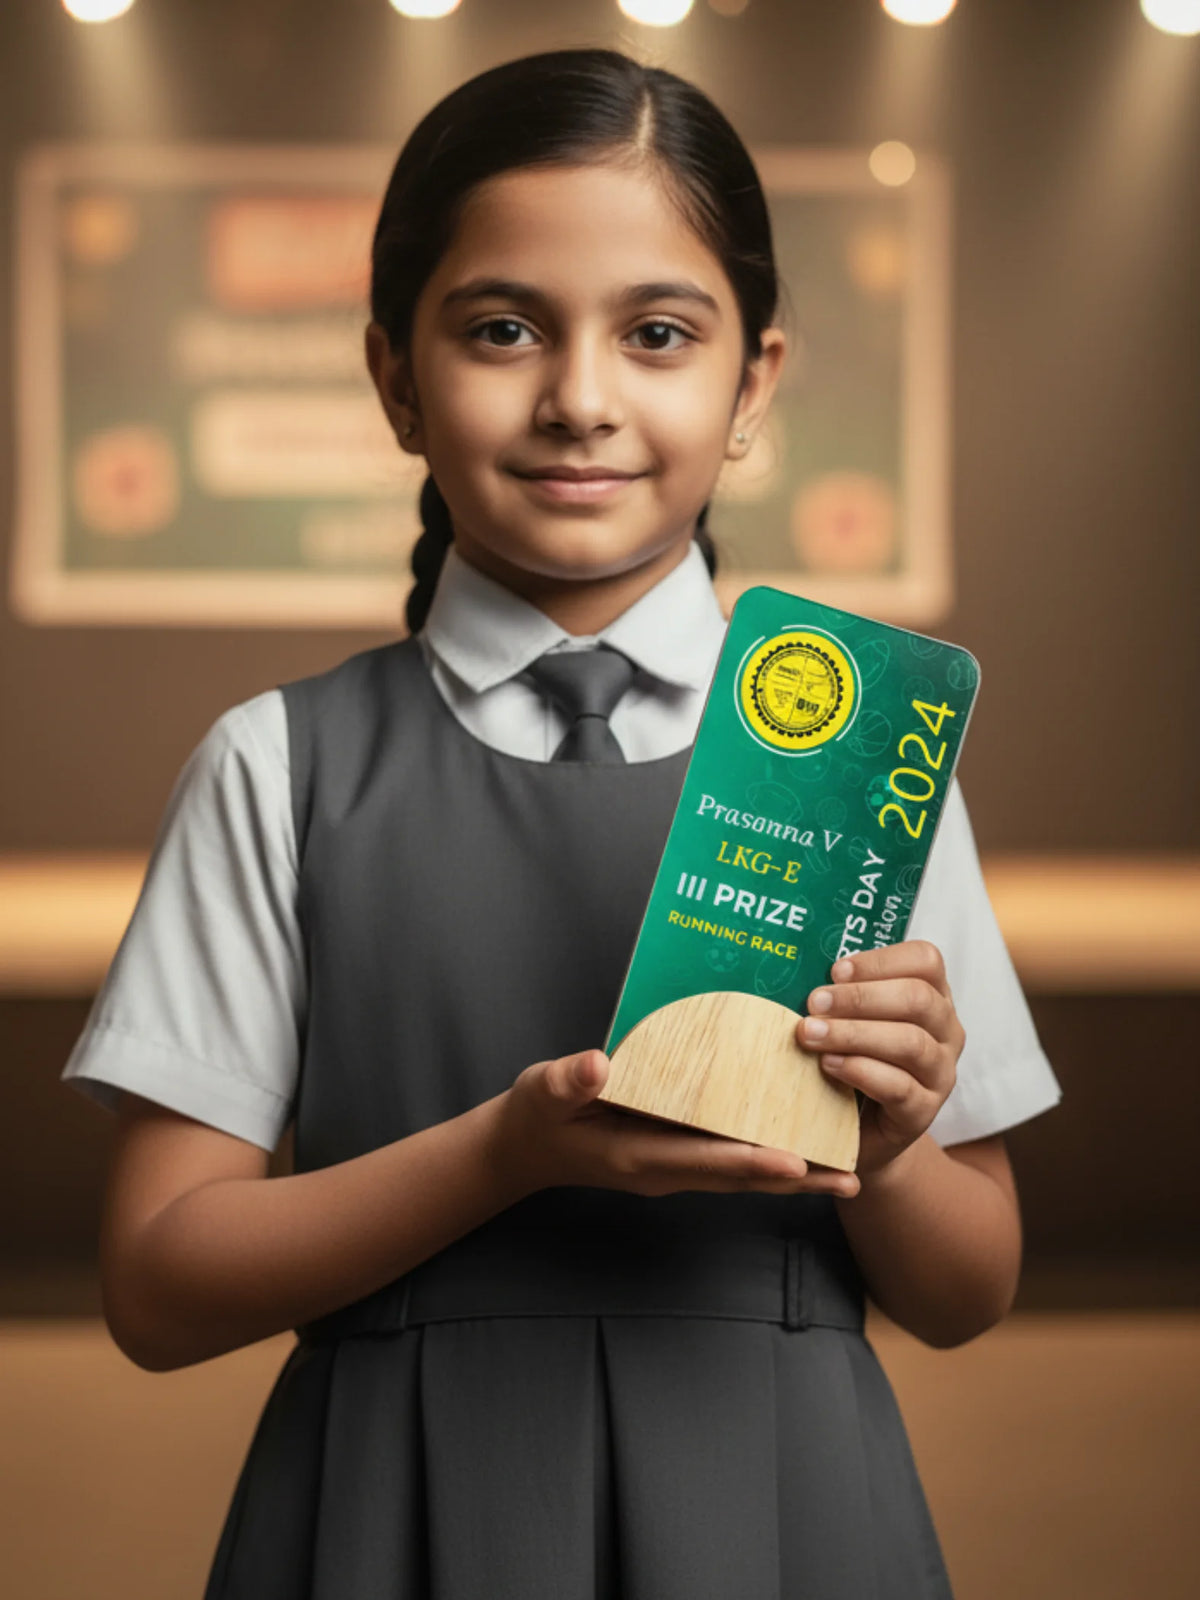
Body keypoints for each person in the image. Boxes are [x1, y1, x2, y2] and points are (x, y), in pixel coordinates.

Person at [62, 47, 1062, 1600]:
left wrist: (900, 1141)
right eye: (502, 329)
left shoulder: (872, 761)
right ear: (397, 377)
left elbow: (967, 1290)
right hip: (395, 1511)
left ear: (756, 386)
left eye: (659, 334)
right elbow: (158, 1286)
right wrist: (507, 1155)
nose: (580, 397)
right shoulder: (276, 767)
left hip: (787, 1516)